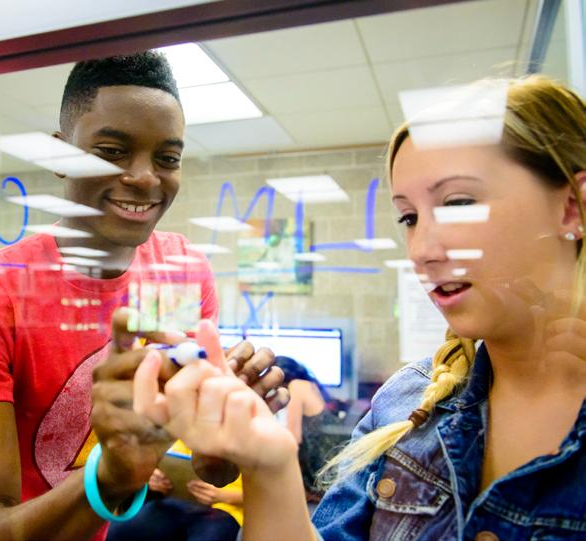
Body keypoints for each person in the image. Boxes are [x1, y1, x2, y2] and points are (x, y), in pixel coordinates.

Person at [133, 75, 586, 540]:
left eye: (458, 203)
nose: (421, 250)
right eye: (409, 217)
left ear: (571, 206)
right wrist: (268, 465)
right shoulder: (404, 403)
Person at [0, 51, 284, 541]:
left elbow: (208, 466)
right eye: (111, 151)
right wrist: (111, 477)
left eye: (167, 158)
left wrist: (227, 436)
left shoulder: (177, 274)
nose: (145, 177)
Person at [106, 440, 243, 541]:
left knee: (213, 532)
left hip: (228, 512)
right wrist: (155, 479)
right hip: (179, 504)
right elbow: (174, 463)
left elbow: (258, 496)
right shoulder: (191, 436)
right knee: (120, 531)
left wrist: (227, 496)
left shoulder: (248, 443)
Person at [274, 356, 349, 501]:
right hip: (332, 462)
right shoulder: (311, 385)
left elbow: (293, 438)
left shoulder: (296, 386)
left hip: (320, 466)